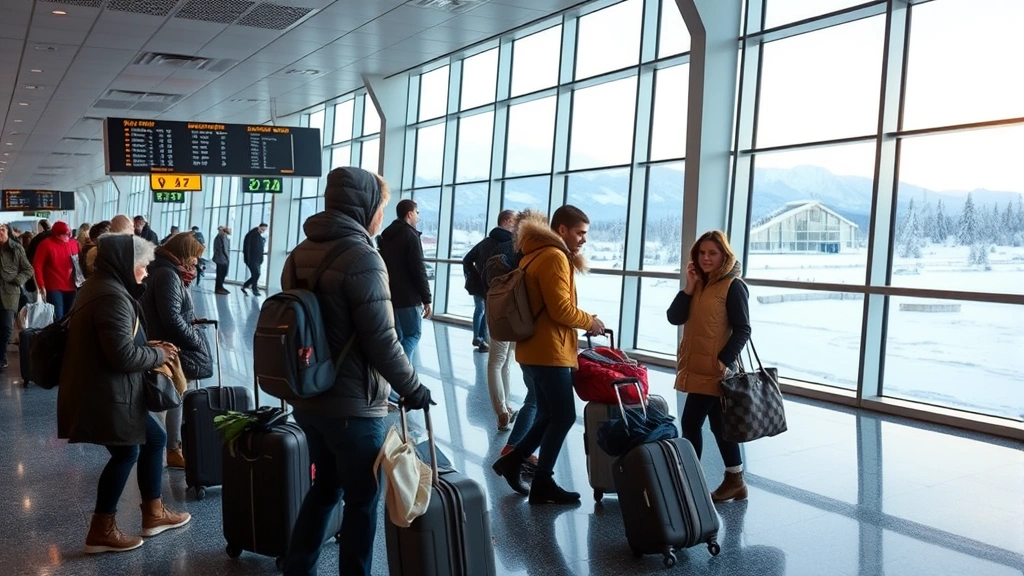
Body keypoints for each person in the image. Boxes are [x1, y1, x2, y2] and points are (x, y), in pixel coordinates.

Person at [281, 167, 434, 576]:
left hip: (309, 395)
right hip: (352, 406)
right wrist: (413, 387)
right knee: (363, 499)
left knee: (325, 487)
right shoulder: (364, 257)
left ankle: (297, 569)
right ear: (365, 206)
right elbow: (382, 339)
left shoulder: (299, 253)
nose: (381, 216)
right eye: (380, 207)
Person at [57, 234, 191, 554]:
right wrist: (159, 356)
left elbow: (117, 346)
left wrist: (149, 347)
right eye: (143, 266)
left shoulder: (99, 286)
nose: (145, 272)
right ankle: (102, 529)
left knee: (154, 439)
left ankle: (153, 514)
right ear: (125, 264)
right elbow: (123, 356)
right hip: (107, 392)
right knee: (126, 453)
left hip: (103, 388)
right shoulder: (112, 296)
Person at [491, 206, 605, 505]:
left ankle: (515, 463)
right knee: (564, 415)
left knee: (546, 414)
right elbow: (561, 310)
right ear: (563, 230)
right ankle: (540, 479)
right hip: (549, 350)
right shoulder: (554, 256)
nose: (583, 240)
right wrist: (590, 321)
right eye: (580, 233)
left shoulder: (533, 253)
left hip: (533, 348)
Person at [667, 230, 751, 502]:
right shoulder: (700, 284)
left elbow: (743, 329)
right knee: (719, 425)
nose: (706, 258)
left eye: (712, 253)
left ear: (724, 255)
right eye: (702, 253)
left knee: (691, 421)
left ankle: (690, 483)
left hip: (716, 371)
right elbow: (674, 317)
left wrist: (723, 360)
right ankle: (735, 480)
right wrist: (689, 287)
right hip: (697, 367)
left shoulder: (733, 285)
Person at [140, 232, 213, 470]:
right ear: (183, 252)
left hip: (162, 343)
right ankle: (171, 449)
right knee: (174, 397)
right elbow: (170, 317)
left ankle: (168, 448)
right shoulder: (168, 275)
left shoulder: (161, 269)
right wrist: (195, 340)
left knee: (171, 398)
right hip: (170, 347)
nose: (195, 262)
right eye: (193, 256)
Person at [377, 199, 432, 360]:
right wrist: (427, 299)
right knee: (413, 335)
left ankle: (396, 380)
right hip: (409, 298)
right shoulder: (411, 236)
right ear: (409, 214)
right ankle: (403, 375)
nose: (418, 217)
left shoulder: (386, 236)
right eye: (417, 213)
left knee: (398, 338)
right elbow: (419, 270)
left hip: (390, 295)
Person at [463, 211, 517, 354]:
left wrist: (474, 276)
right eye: (515, 220)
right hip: (499, 288)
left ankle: (479, 338)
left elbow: (467, 259)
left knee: (481, 310)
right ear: (507, 220)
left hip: (481, 285)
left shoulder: (485, 242)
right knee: (490, 314)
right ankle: (485, 340)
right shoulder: (510, 245)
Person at [0, 224, 33, 369]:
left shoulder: (16, 248)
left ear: (8, 232)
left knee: (7, 326)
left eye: (2, 230)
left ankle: (1, 354)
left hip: (10, 292)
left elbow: (28, 269)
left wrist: (18, 281)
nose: (0, 232)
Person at [32, 220, 80, 320]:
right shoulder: (45, 244)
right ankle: (58, 335)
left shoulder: (74, 243)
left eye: (66, 234)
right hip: (53, 287)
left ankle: (67, 335)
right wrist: (41, 285)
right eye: (62, 234)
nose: (64, 237)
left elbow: (78, 264)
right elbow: (37, 265)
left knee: (70, 317)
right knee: (58, 317)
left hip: (72, 285)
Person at [241, 223, 268, 296]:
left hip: (255, 259)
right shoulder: (252, 235)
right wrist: (248, 259)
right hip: (252, 259)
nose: (263, 231)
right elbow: (248, 247)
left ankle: (248, 286)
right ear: (259, 227)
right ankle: (253, 288)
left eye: (264, 230)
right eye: (262, 229)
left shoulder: (257, 235)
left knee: (256, 274)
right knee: (256, 274)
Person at [24, 219, 51, 294]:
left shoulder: (36, 240)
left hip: (38, 274)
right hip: (54, 277)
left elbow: (29, 258)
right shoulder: (55, 238)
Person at [212, 226, 231, 295]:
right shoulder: (222, 236)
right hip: (222, 259)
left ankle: (220, 287)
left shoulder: (220, 236)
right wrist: (227, 257)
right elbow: (225, 248)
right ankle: (219, 288)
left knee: (221, 274)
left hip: (220, 258)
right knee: (221, 274)